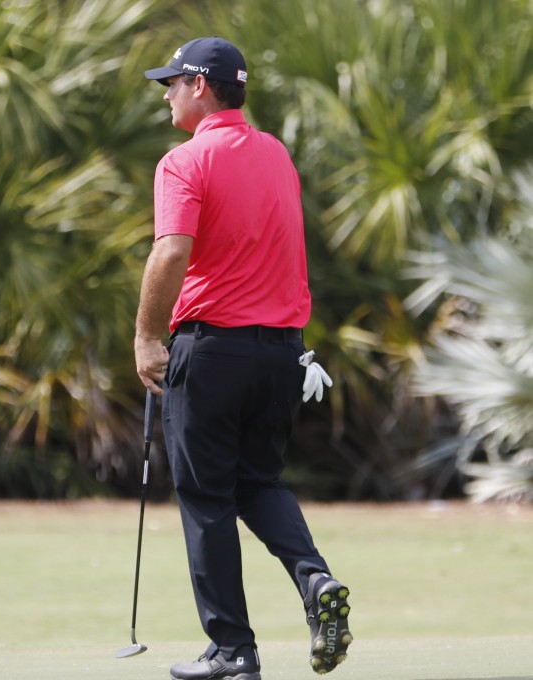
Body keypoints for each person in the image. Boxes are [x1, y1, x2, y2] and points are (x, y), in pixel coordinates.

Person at [133, 37, 352, 680]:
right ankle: (314, 581)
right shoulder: (278, 155)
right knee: (260, 483)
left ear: (202, 86)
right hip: (282, 354)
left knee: (205, 496)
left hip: (213, 353)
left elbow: (172, 252)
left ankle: (232, 650)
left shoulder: (184, 161)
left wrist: (147, 337)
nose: (167, 92)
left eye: (172, 82)